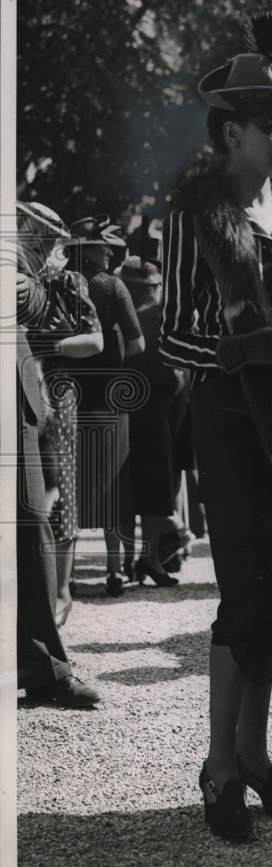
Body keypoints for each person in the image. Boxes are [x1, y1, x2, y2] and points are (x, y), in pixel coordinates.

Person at [159, 10, 272, 841]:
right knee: (239, 595)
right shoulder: (196, 212)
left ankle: (255, 755)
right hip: (228, 425)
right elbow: (171, 335)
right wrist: (237, 349)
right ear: (232, 134)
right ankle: (219, 766)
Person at [16, 210, 101, 707]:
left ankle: (45, 667)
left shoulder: (35, 276)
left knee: (32, 526)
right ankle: (44, 669)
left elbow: (30, 300)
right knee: (31, 527)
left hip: (17, 401)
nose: (54, 250)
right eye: (44, 239)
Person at [66, 215, 145, 593]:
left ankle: (67, 574)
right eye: (104, 246)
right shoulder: (113, 287)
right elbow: (137, 343)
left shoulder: (59, 285)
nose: (109, 251)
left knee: (72, 484)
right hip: (110, 398)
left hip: (68, 397)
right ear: (93, 251)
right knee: (112, 483)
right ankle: (114, 570)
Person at [114, 256, 182, 587]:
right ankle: (150, 558)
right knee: (155, 490)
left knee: (126, 488)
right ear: (152, 288)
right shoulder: (159, 318)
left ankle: (126, 560)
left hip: (121, 408)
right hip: (155, 409)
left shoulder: (115, 317)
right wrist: (176, 385)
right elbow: (168, 370)